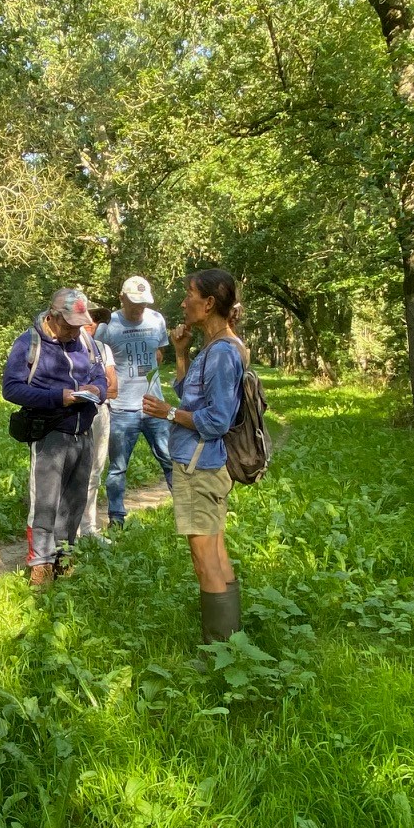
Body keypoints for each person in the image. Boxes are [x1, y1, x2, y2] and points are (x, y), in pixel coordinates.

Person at [144, 268, 246, 641]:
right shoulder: (216, 347)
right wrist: (182, 353)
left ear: (209, 303)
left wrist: (166, 413)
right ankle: (231, 642)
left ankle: (219, 652)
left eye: (189, 294)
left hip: (198, 465)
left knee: (205, 561)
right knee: (216, 552)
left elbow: (216, 419)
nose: (184, 301)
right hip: (205, 463)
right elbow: (193, 394)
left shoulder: (222, 353)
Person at [2, 288, 108, 587]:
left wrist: (97, 389)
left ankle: (63, 556)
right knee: (45, 502)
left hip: (83, 430)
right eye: (70, 325)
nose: (76, 331)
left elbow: (99, 373)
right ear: (53, 316)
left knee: (75, 499)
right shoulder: (29, 342)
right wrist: (57, 397)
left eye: (80, 325)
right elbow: (11, 388)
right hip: (50, 431)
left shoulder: (85, 340)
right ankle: (40, 565)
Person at [98, 275, 175, 526]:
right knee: (118, 467)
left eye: (143, 302)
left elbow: (159, 353)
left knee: (170, 460)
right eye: (134, 302)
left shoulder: (156, 320)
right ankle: (116, 519)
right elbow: (99, 364)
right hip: (121, 410)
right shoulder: (108, 326)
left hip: (155, 406)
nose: (139, 307)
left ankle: (186, 509)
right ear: (121, 298)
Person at [81, 337, 118, 537]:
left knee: (94, 471)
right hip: (72, 414)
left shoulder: (103, 349)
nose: (91, 323)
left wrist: (92, 391)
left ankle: (88, 528)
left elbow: (113, 389)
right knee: (70, 473)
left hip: (100, 413)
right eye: (89, 317)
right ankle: (65, 532)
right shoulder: (63, 344)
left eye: (96, 319)